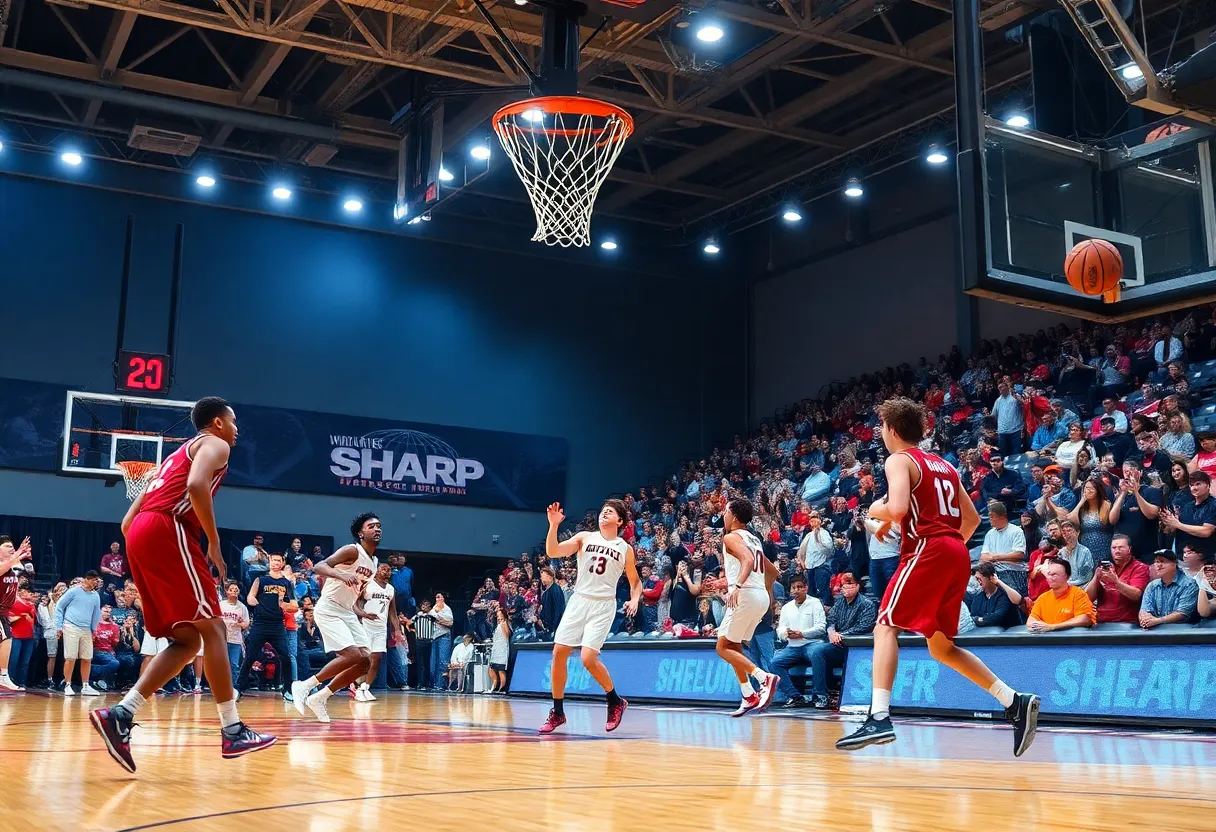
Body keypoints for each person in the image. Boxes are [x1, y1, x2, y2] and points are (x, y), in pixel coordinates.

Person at [837, 397, 1039, 756]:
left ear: (892, 430)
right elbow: (972, 520)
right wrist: (943, 548)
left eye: (882, 428)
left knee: (885, 624)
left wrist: (874, 509)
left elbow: (897, 506)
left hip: (928, 549)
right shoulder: (943, 464)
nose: (881, 434)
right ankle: (1013, 701)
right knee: (941, 646)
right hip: (956, 552)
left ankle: (879, 716)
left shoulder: (898, 459)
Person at [90, 397, 275, 773]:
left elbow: (127, 523)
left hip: (141, 533)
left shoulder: (174, 456)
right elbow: (195, 486)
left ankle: (122, 714)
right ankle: (233, 728)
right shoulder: (215, 444)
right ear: (218, 422)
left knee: (188, 639)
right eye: (234, 421)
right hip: (167, 528)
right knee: (217, 628)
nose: (237, 429)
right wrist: (214, 542)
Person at [538, 500, 640, 734]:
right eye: (603, 510)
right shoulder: (585, 537)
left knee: (587, 658)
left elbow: (635, 581)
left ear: (620, 521)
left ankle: (614, 700)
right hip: (579, 600)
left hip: (603, 605)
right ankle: (558, 712)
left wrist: (635, 599)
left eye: (610, 511)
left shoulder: (625, 548)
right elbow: (553, 551)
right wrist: (553, 526)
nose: (604, 513)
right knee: (558, 652)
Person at [291, 513, 378, 722]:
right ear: (361, 532)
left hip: (347, 611)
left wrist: (360, 611)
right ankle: (305, 685)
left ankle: (320, 697)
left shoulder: (373, 562)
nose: (377, 529)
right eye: (371, 526)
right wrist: (341, 574)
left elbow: (352, 594)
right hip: (329, 608)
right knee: (352, 655)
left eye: (379, 526)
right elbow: (319, 567)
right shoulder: (351, 550)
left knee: (365, 661)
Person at [714, 498, 781, 717]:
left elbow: (748, 560)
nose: (723, 516)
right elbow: (773, 572)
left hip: (744, 594)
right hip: (758, 595)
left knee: (722, 648)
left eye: (725, 511)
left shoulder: (731, 537)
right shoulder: (754, 539)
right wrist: (766, 595)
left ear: (733, 516)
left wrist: (737, 586)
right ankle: (748, 694)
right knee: (732, 645)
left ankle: (764, 678)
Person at [237, 553, 296, 698]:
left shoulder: (286, 583)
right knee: (250, 657)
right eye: (273, 560)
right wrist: (258, 603)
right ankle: (238, 688)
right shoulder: (261, 579)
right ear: (269, 562)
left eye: (278, 560)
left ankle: (288, 690)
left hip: (277, 625)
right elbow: (250, 597)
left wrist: (283, 604)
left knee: (286, 657)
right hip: (260, 623)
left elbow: (294, 606)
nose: (275, 562)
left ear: (282, 563)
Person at [351, 561, 403, 701]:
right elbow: (354, 604)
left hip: (381, 627)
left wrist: (397, 630)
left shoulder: (391, 589)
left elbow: (392, 611)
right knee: (365, 659)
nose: (387, 572)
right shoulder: (368, 584)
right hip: (366, 625)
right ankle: (356, 686)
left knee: (377, 659)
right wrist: (364, 614)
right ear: (376, 570)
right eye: (383, 569)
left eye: (389, 570)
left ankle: (365, 688)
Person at [55, 570, 103, 695]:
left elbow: (96, 614)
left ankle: (86, 686)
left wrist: (94, 629)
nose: (94, 582)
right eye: (92, 579)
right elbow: (59, 606)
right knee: (70, 657)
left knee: (87, 658)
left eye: (96, 580)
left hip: (86, 629)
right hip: (71, 626)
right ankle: (67, 685)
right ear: (86, 579)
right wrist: (59, 626)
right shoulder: (73, 591)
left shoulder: (95, 596)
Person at [1084, 535, 1150, 624]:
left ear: (1129, 549)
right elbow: (1087, 598)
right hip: (1101, 620)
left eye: (1120, 548)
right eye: (1114, 548)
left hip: (1126, 621)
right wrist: (1096, 577)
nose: (1116, 551)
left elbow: (1136, 595)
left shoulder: (1140, 568)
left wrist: (1116, 582)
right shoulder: (1107, 568)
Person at [1027, 559, 1096, 633]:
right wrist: (1037, 626)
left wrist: (1052, 627)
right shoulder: (1043, 598)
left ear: (1067, 576)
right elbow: (1031, 619)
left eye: (1054, 574)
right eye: (1049, 574)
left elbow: (1084, 619)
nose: (1050, 578)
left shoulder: (1078, 594)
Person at [0, 535, 32, 692]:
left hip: (4, 611)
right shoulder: (2, 565)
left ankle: (4, 675)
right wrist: (19, 552)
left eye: (12, 546)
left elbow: (23, 571)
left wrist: (24, 555)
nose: (10, 547)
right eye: (6, 546)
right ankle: (4, 675)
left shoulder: (13, 567)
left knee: (6, 640)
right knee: (6, 639)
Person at [1140, 549, 1199, 628]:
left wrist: (1157, 621)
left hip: (1183, 629)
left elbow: (1183, 613)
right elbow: (1144, 609)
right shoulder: (1152, 585)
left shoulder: (1189, 584)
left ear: (1174, 563)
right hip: (1156, 627)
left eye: (1163, 561)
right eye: (1156, 562)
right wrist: (1145, 618)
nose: (1159, 565)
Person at [488, 605, 510, 693]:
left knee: (501, 670)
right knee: (491, 668)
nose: (498, 617)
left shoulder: (504, 623)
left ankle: (502, 687)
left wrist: (503, 623)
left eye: (500, 615)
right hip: (496, 648)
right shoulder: (498, 625)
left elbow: (507, 635)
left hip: (502, 648)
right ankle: (495, 685)